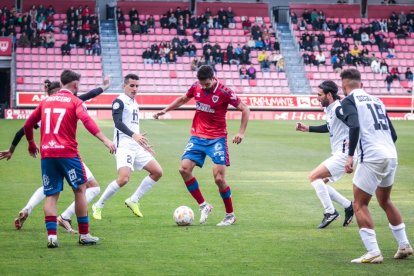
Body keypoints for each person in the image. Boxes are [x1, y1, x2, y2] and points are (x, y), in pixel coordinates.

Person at [1, 77, 111, 233]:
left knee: (50, 189)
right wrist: (105, 87)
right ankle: (66, 217)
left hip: (48, 154)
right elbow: (88, 95)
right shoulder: (69, 101)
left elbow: (24, 129)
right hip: (68, 154)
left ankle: (28, 209)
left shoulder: (45, 108)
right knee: (91, 187)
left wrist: (13, 149)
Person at [23, 70, 116, 248]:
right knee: (80, 190)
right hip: (68, 153)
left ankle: (52, 237)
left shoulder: (46, 101)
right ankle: (84, 234)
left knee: (51, 194)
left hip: (47, 154)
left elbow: (28, 124)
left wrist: (30, 143)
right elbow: (87, 121)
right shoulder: (75, 101)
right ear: (75, 85)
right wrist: (105, 139)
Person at [153, 65, 250, 226]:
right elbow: (183, 99)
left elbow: (245, 109)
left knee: (219, 178)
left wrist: (241, 132)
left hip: (217, 139)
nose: (203, 87)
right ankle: (204, 206)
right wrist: (165, 110)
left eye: (206, 84)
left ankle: (230, 215)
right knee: (184, 169)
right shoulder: (196, 86)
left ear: (213, 78)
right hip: (197, 137)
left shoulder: (224, 92)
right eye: (202, 84)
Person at [340, 68, 412, 263]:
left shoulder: (348, 101)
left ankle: (373, 252)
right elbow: (393, 134)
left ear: (344, 86)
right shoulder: (377, 100)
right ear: (361, 84)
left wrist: (349, 157)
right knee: (385, 200)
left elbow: (354, 125)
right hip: (390, 154)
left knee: (359, 203)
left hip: (372, 157)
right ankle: (404, 245)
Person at [92, 74, 163, 220]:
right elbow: (118, 123)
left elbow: (133, 126)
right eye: (132, 85)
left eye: (137, 86)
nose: (135, 88)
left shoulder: (134, 102)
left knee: (157, 172)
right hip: (124, 145)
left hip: (135, 145)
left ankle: (134, 200)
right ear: (124, 85)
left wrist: (142, 143)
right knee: (124, 179)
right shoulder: (119, 101)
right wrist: (133, 135)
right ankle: (98, 205)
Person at [296, 81, 354, 228]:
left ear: (329, 95)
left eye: (319, 95)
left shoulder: (339, 109)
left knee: (313, 177)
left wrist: (356, 141)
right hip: (341, 153)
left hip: (345, 154)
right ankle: (348, 205)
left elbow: (356, 124)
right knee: (320, 182)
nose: (317, 98)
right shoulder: (331, 108)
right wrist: (308, 129)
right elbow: (330, 127)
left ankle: (330, 212)